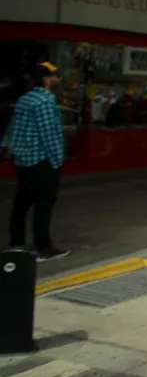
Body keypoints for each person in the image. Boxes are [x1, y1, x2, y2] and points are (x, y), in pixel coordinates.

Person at [0, 62, 69, 260]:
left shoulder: (24, 100)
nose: (58, 79)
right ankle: (44, 247)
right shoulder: (45, 101)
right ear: (46, 80)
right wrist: (57, 160)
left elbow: (12, 128)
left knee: (22, 202)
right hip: (42, 160)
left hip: (23, 160)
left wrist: (8, 149)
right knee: (44, 204)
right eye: (55, 75)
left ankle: (17, 243)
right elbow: (49, 134)